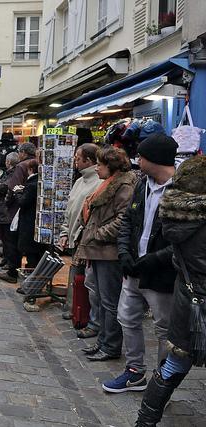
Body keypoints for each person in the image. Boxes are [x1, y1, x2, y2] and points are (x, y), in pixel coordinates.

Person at [102, 135, 178, 393]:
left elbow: (184, 240)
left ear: (154, 158)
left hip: (162, 273)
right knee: (127, 318)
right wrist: (124, 253)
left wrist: (153, 260)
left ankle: (163, 380)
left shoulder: (182, 190)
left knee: (164, 328)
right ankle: (135, 372)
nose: (137, 160)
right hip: (133, 268)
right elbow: (128, 221)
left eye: (142, 156)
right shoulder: (142, 184)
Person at [135, 155, 206, 426]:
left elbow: (178, 259)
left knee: (176, 362)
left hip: (187, 298)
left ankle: (145, 421)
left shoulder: (176, 216)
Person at [76, 146, 137, 362]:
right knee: (100, 299)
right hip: (98, 250)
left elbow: (123, 219)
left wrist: (98, 234)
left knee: (109, 302)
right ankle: (103, 341)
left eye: (100, 165)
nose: (97, 168)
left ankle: (110, 346)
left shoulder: (124, 186)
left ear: (110, 166)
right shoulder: (107, 183)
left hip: (108, 252)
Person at [58, 144, 102, 338]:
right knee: (75, 273)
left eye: (78, 157)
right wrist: (65, 232)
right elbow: (70, 209)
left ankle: (86, 314)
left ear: (89, 160)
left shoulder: (99, 182)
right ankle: (73, 307)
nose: (75, 161)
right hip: (75, 236)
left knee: (89, 280)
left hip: (88, 238)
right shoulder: (78, 182)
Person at [0, 143, 36, 283]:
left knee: (12, 239)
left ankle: (12, 271)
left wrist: (8, 202)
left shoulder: (21, 166)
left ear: (23, 152)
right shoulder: (34, 163)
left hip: (17, 207)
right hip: (30, 207)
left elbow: (13, 187)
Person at [15, 159, 45, 272]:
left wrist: (18, 193)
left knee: (31, 254)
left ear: (30, 169)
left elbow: (23, 202)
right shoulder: (37, 182)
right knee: (34, 253)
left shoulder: (32, 184)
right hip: (33, 221)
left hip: (29, 222)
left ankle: (31, 277)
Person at [0, 153, 20, 269]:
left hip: (7, 209)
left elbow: (5, 186)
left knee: (8, 238)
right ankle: (6, 259)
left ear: (8, 162)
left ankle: (10, 262)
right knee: (4, 237)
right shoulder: (8, 172)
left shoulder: (14, 172)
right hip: (3, 208)